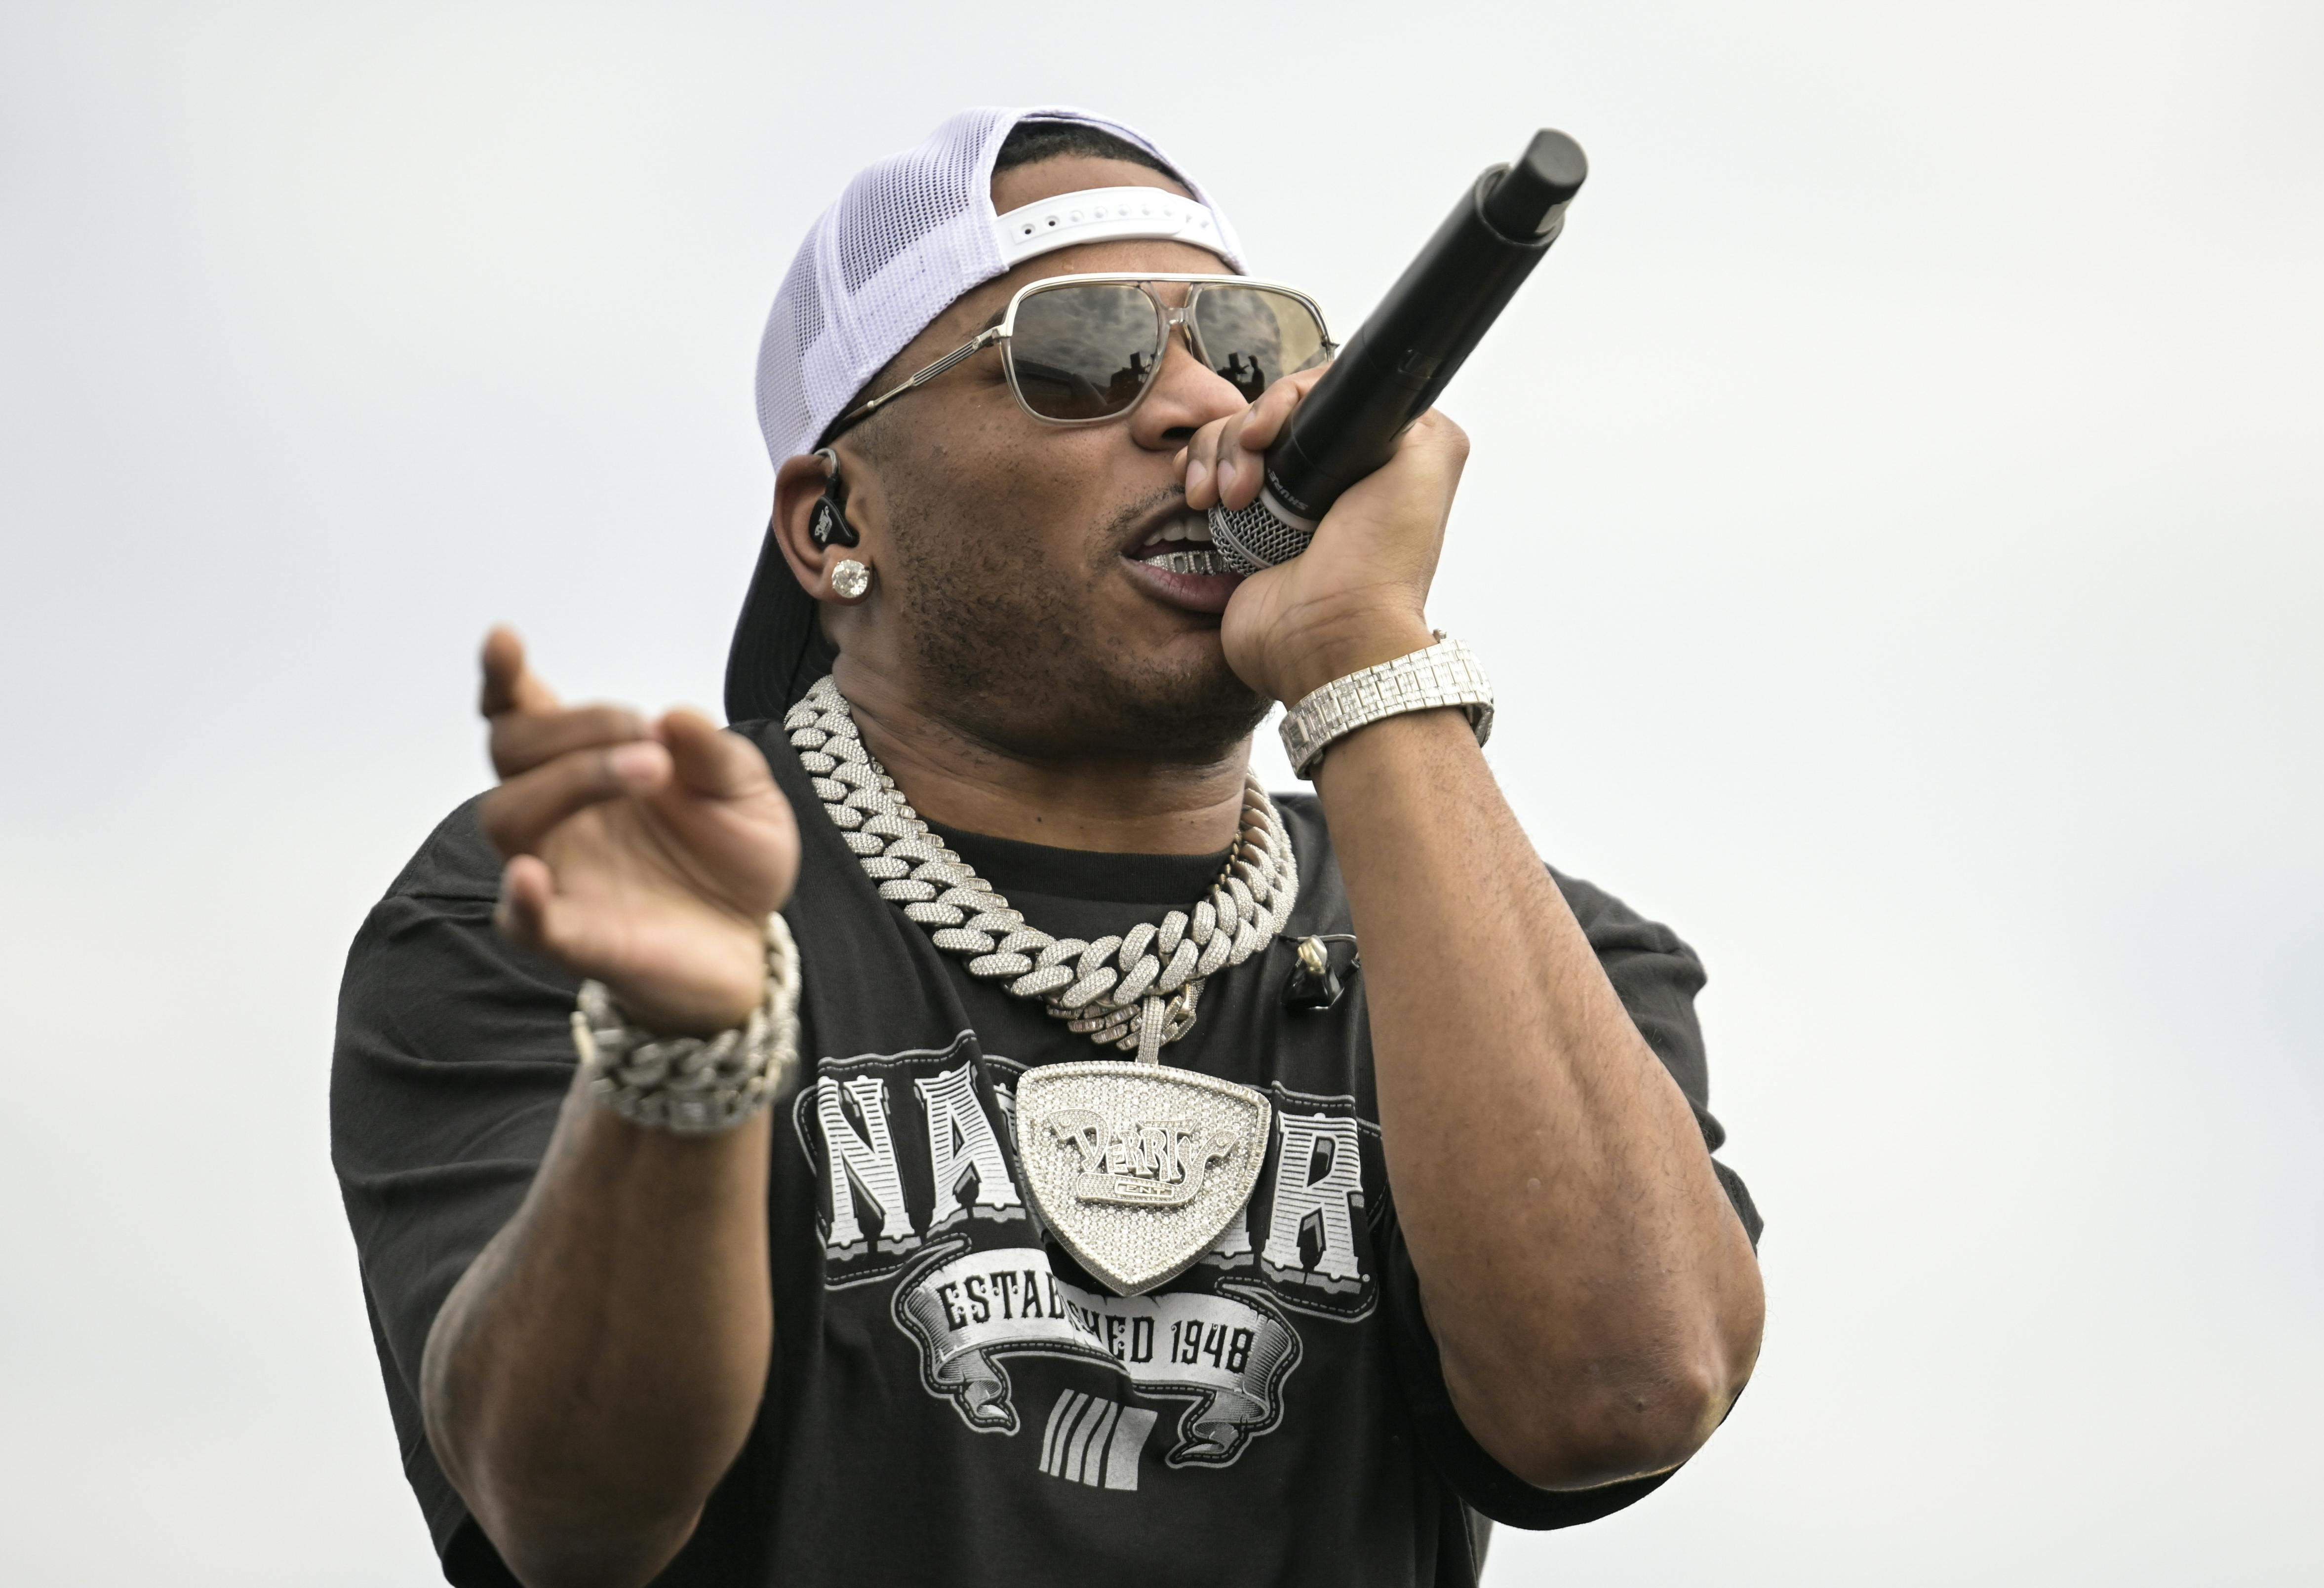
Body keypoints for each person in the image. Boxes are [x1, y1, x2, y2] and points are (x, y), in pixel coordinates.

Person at [331, 105, 1765, 1588]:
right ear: (835, 523)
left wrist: (1361, 659)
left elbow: (1621, 1392)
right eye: (1081, 355)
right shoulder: (586, 907)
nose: (1201, 403)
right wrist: (676, 1068)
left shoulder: (1531, 956)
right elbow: (565, 1511)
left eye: (1249, 351)